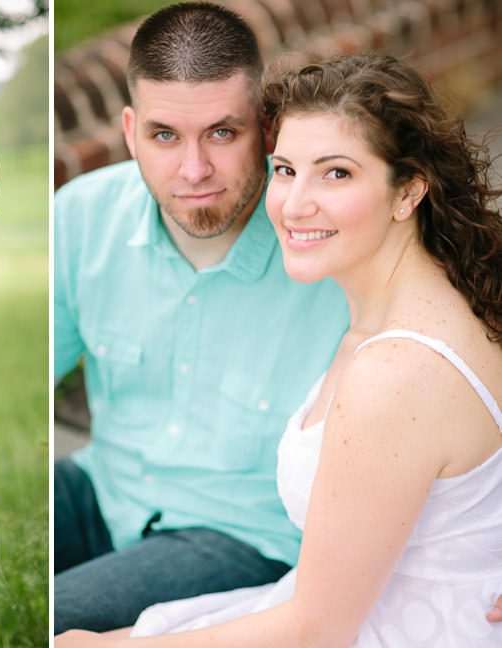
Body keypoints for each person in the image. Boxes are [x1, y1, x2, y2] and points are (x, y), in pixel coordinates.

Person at [57, 52, 502, 647]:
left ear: (408, 191)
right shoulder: (436, 296)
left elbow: (315, 630)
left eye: (337, 173)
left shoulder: (393, 369)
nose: (294, 204)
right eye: (286, 170)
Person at [53, 2, 349, 633]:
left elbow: (465, 367)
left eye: (221, 133)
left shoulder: (331, 236)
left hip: (243, 534)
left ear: (267, 129)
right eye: (164, 136)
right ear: (130, 130)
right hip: (108, 489)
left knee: (57, 622)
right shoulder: (82, 216)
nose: (193, 171)